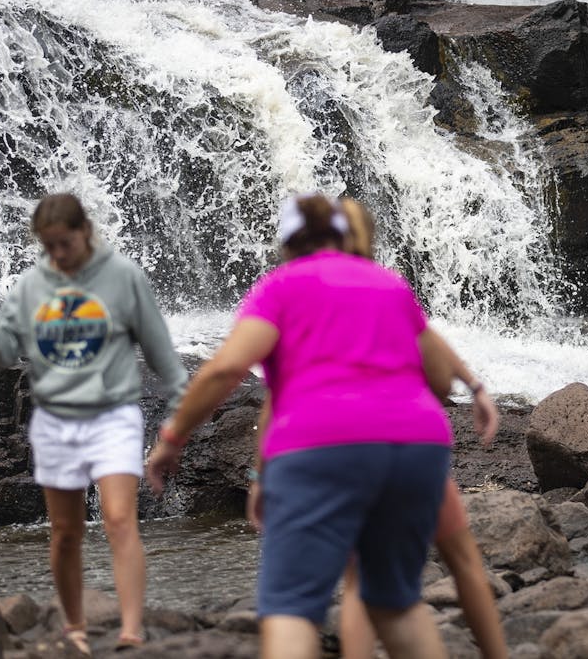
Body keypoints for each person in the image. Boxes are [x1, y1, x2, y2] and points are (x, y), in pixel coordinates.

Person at [145, 193, 458, 659]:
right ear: (340, 234)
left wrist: (172, 438)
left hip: (320, 445)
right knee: (397, 603)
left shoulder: (282, 286)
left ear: (288, 242)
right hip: (419, 447)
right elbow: (438, 377)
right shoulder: (388, 284)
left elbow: (223, 371)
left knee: (291, 607)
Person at [0, 193, 188, 654]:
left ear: (85, 233)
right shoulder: (32, 286)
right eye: (49, 245)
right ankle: (74, 623)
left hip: (113, 414)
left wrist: (178, 417)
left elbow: (162, 355)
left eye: (66, 244)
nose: (58, 254)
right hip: (55, 421)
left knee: (118, 518)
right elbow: (3, 353)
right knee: (65, 531)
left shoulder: (123, 279)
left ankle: (131, 628)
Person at [326, 198, 507, 659]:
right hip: (415, 442)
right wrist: (473, 385)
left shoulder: (306, 290)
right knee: (464, 562)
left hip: (350, 443)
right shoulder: (389, 287)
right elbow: (431, 351)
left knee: (357, 579)